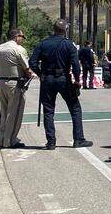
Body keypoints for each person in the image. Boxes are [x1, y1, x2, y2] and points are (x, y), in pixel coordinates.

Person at [30, 19, 92, 150]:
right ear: (65, 30)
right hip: (64, 79)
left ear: (54, 29)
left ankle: (51, 142)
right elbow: (75, 65)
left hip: (47, 79)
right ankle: (78, 139)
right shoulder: (69, 45)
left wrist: (40, 73)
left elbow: (32, 62)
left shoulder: (43, 43)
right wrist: (77, 79)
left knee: (48, 111)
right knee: (75, 108)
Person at [0, 28, 33, 149]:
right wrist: (31, 75)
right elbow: (26, 68)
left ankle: (2, 139)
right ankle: (10, 141)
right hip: (15, 84)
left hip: (0, 82)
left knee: (4, 112)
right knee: (14, 113)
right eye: (22, 37)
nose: (23, 39)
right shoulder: (18, 49)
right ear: (16, 37)